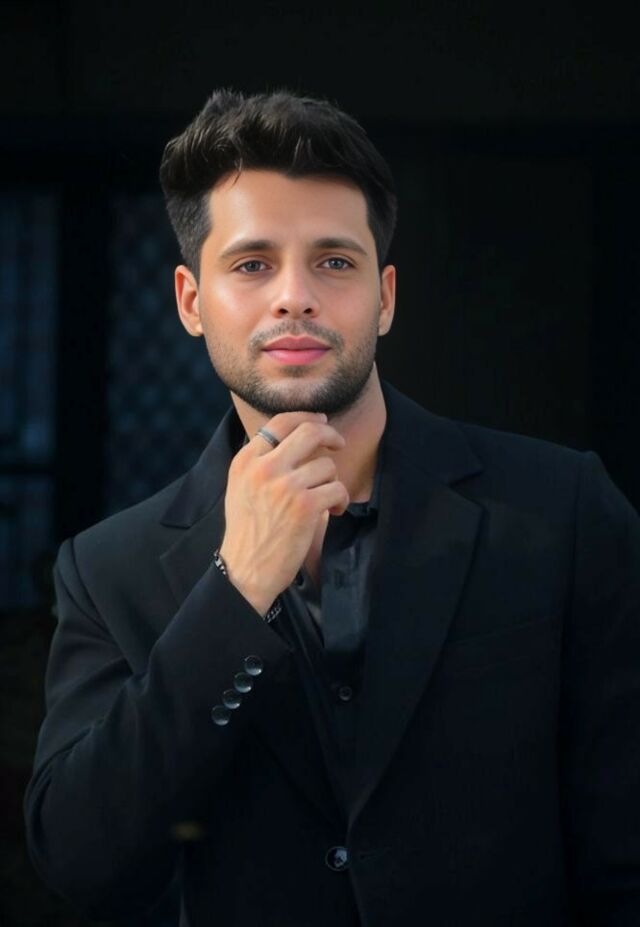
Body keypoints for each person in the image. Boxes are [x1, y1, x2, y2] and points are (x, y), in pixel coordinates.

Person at [24, 88, 640, 927]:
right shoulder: (107, 569)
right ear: (191, 301)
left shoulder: (563, 511)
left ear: (385, 296)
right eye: (252, 264)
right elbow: (81, 861)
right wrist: (236, 591)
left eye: (335, 262)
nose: (295, 296)